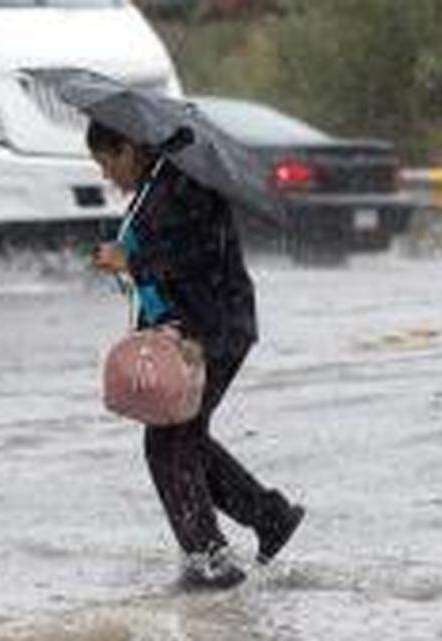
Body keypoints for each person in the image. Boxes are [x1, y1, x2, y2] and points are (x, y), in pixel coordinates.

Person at [87, 119, 304, 590]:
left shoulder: (184, 186)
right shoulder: (157, 186)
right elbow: (163, 253)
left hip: (211, 332)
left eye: (107, 163)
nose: (107, 176)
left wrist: (134, 261)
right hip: (190, 329)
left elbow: (195, 256)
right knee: (185, 438)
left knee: (169, 443)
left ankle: (210, 560)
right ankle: (268, 516)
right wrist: (120, 254)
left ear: (128, 147)